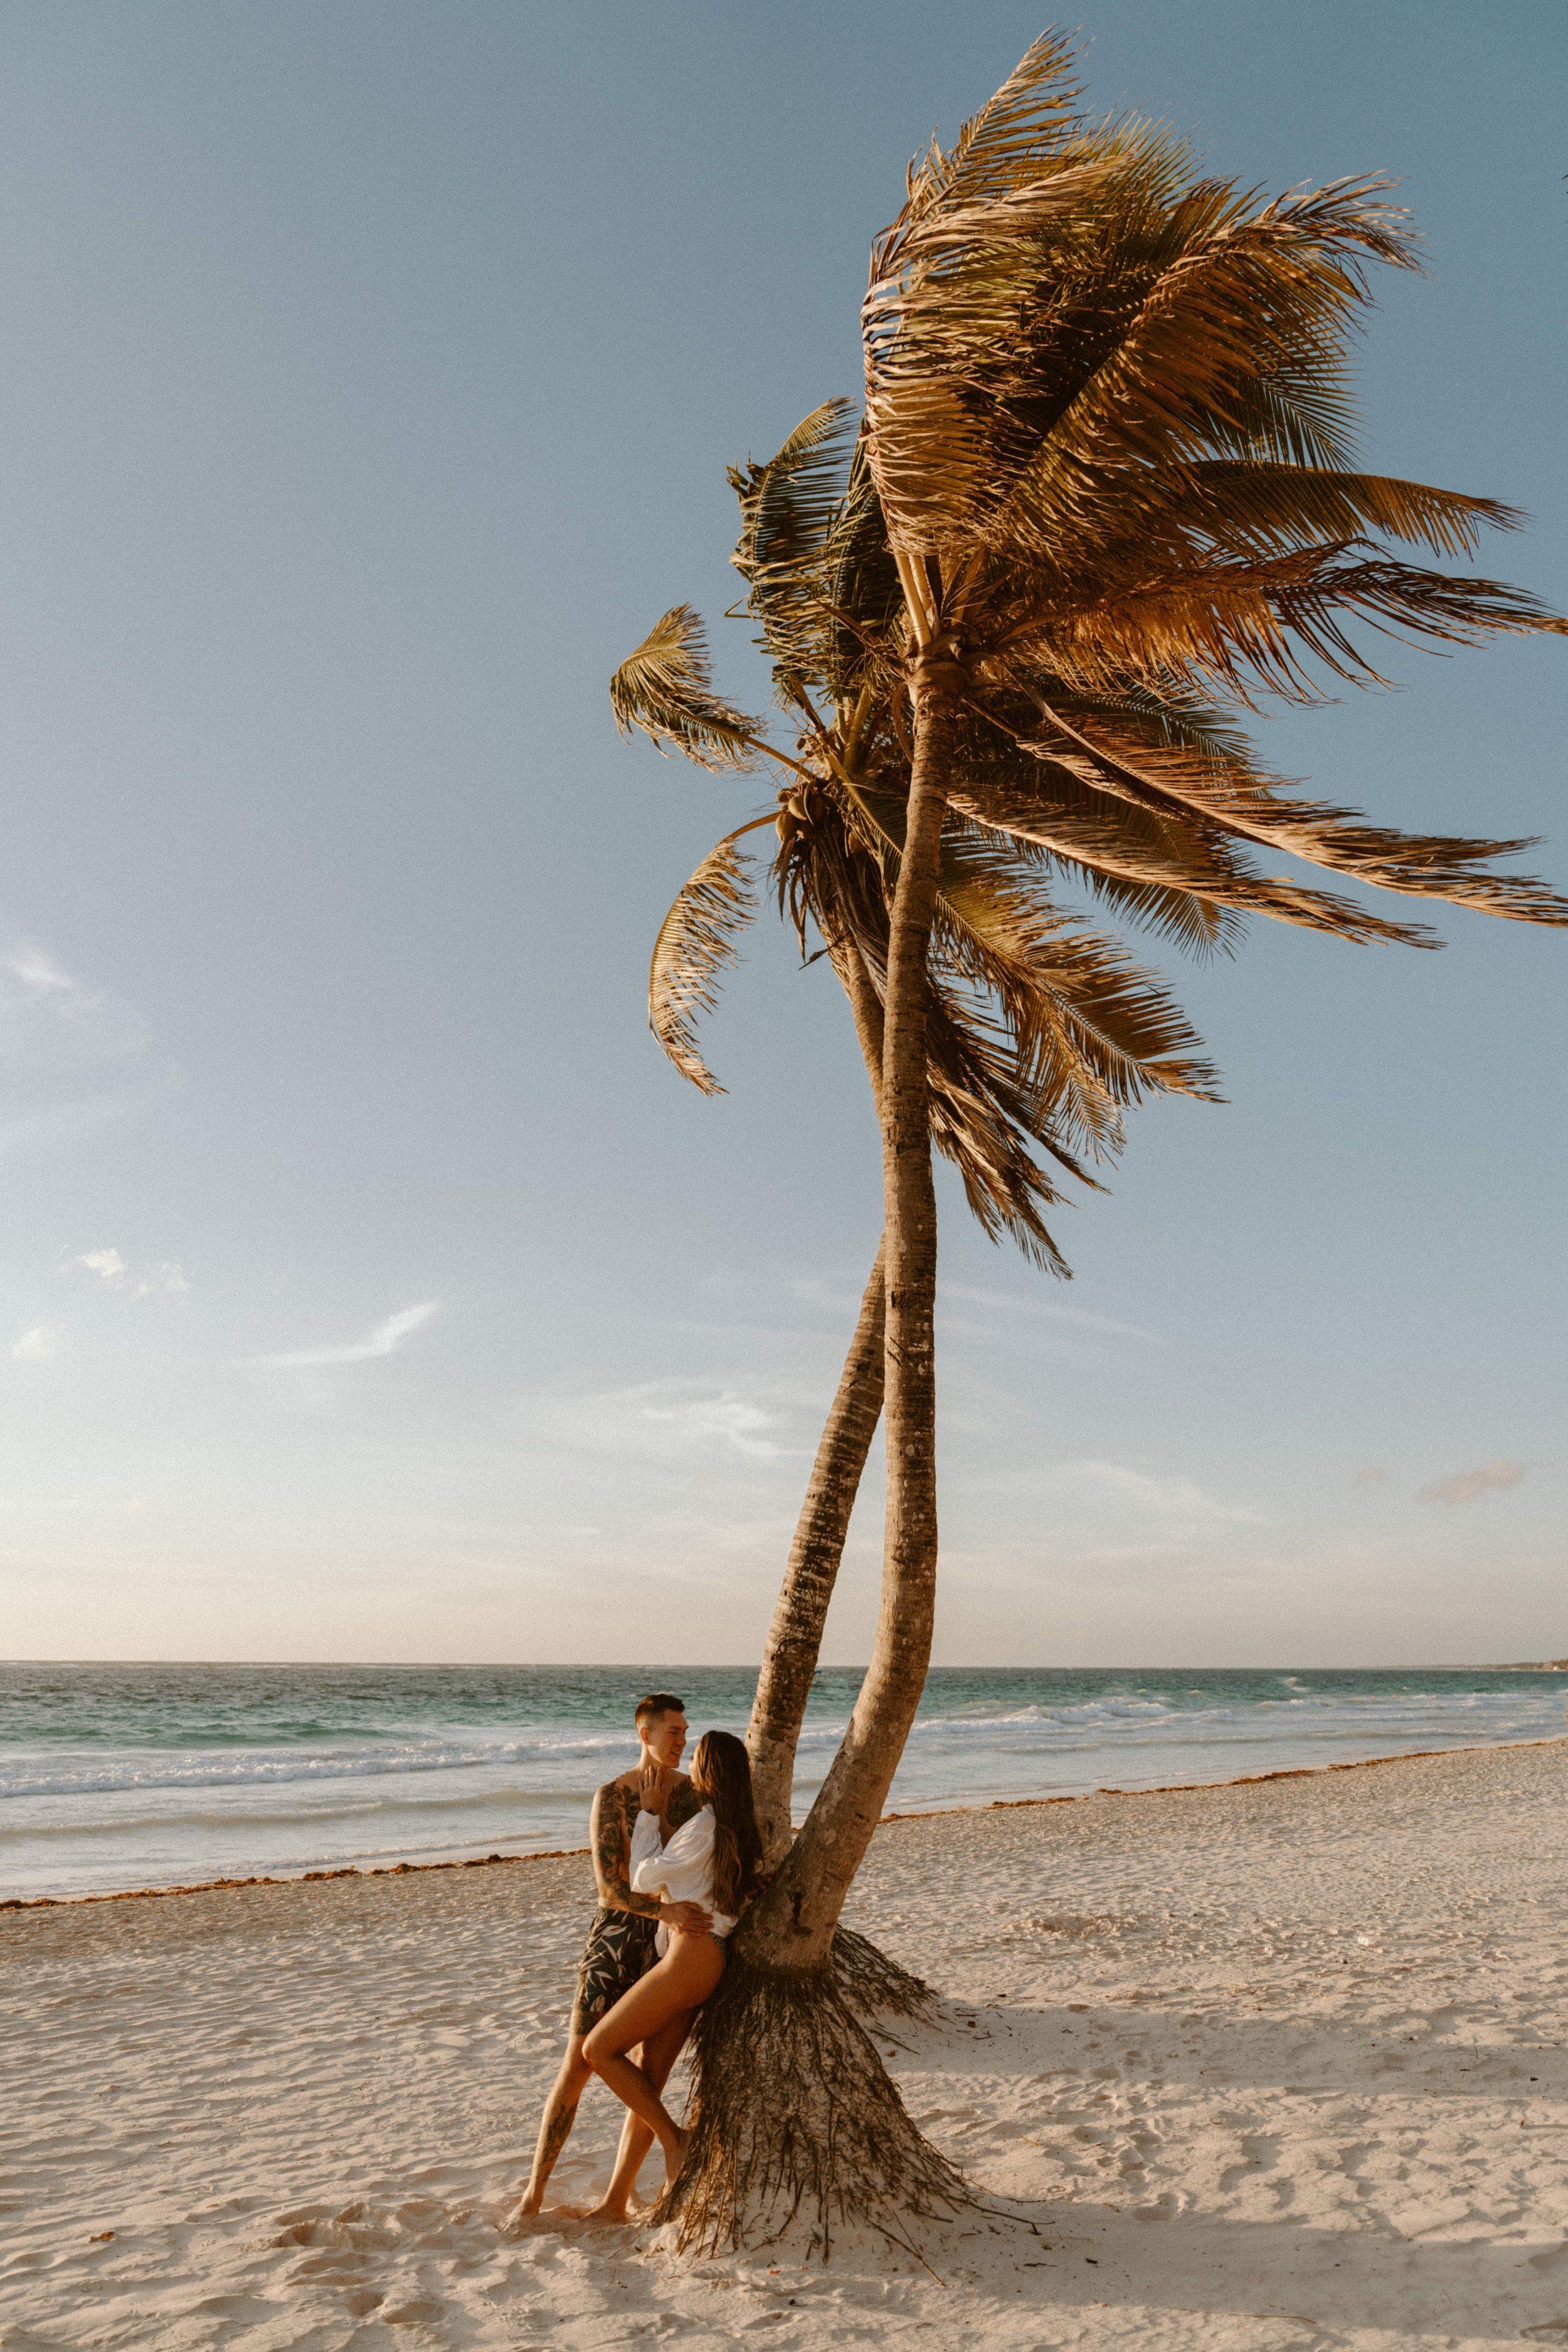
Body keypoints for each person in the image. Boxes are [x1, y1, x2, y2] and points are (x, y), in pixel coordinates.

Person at [511, 1693, 711, 2223]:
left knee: (651, 2074)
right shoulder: (613, 1796)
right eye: (674, 1732)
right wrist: (664, 1913)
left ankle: (617, 2199)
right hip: (620, 1939)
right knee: (577, 2065)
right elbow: (610, 1891)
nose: (682, 1742)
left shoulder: (694, 1796)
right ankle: (533, 2197)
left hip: (673, 1946)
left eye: (686, 1732)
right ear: (645, 1734)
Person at [578, 1729, 762, 2207]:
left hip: (688, 1959)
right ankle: (616, 2201)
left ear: (707, 1772)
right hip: (705, 1959)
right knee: (648, 2073)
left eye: (695, 1757)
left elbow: (641, 1878)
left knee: (598, 2050)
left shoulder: (704, 1824)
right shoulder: (739, 1825)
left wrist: (651, 1813)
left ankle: (676, 2140)